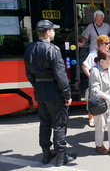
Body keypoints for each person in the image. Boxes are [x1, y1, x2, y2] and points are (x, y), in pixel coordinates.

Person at [24, 20, 77, 166]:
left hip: (40, 91)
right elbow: (60, 75)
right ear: (48, 32)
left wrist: (37, 85)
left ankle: (46, 154)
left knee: (45, 123)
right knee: (59, 124)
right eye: (53, 30)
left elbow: (28, 74)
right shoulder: (53, 50)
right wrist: (67, 94)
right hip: (54, 91)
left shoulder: (29, 49)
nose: (55, 32)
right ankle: (61, 157)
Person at [82, 35, 110, 127]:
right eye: (106, 43)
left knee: (109, 98)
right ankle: (91, 118)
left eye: (109, 43)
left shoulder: (109, 53)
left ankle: (108, 115)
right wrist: (91, 77)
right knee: (94, 99)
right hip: (97, 80)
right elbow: (84, 66)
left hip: (108, 80)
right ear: (100, 44)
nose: (108, 45)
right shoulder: (93, 53)